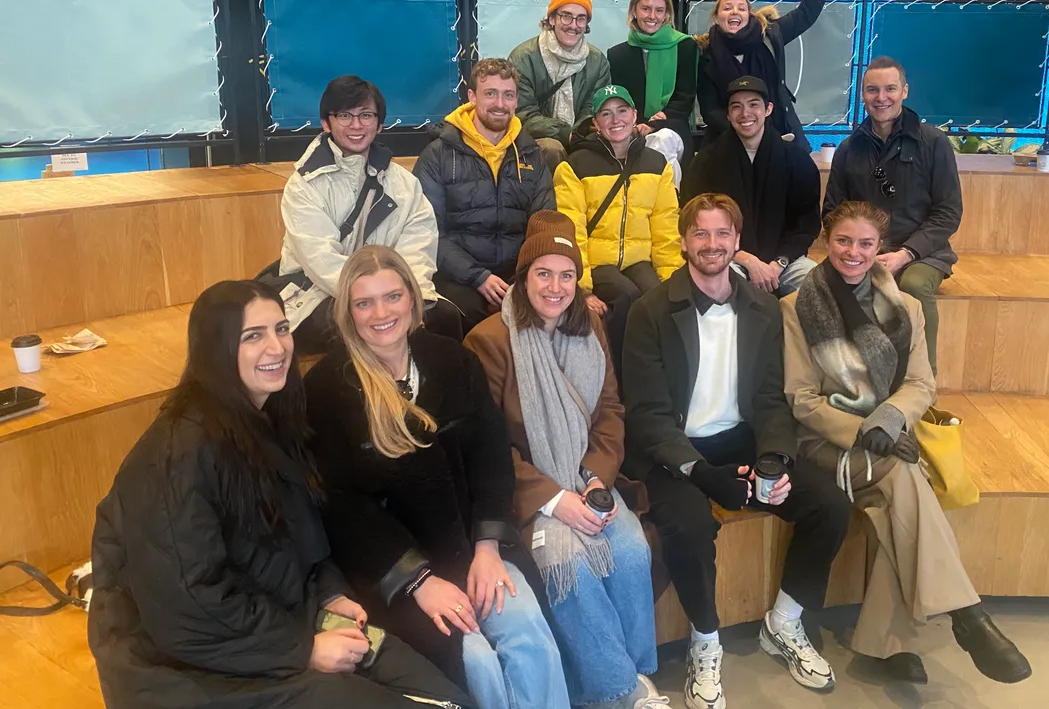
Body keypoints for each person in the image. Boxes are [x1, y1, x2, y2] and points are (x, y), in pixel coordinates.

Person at [88, 280, 473, 709]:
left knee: (448, 699)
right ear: (215, 349)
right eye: (253, 336)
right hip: (191, 665)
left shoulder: (269, 418)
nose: (277, 348)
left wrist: (331, 594)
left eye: (282, 329)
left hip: (283, 617)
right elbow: (187, 610)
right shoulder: (176, 458)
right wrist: (302, 650)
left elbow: (304, 534)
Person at [303, 245, 570, 709]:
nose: (381, 313)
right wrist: (419, 581)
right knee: (476, 661)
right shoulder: (326, 389)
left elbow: (491, 458)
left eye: (392, 297)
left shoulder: (453, 360)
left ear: (413, 298)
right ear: (347, 311)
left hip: (472, 547)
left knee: (528, 634)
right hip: (397, 572)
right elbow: (340, 509)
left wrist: (488, 547)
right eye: (364, 302)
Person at [782, 201, 1031, 686]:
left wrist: (889, 419)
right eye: (843, 241)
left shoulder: (909, 307)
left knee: (902, 487)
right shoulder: (796, 308)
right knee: (904, 476)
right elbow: (801, 398)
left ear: (881, 249)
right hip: (826, 441)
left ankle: (890, 643)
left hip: (889, 437)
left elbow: (921, 384)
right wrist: (863, 430)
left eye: (865, 244)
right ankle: (967, 615)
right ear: (826, 242)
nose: (853, 252)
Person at [622, 193, 851, 707]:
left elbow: (771, 399)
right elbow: (648, 416)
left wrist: (775, 460)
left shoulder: (762, 308)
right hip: (673, 453)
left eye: (722, 233)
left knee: (830, 505)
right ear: (683, 242)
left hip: (741, 442)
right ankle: (706, 643)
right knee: (689, 524)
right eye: (700, 233)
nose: (711, 243)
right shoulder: (649, 311)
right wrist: (701, 473)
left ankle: (784, 622)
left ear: (737, 241)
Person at [464, 211, 667, 709]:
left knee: (631, 550)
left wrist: (596, 482)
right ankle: (622, 691)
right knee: (567, 562)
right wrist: (556, 500)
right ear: (523, 277)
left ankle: (628, 674)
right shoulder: (489, 341)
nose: (555, 287)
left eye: (567, 275)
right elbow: (486, 449)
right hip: (530, 488)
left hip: (586, 475)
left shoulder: (590, 327)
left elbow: (609, 411)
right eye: (543, 273)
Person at [276, 75, 461, 349]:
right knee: (354, 326)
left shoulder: (403, 183)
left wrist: (403, 295)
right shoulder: (304, 184)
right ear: (326, 123)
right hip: (320, 291)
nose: (356, 125)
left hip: (395, 290)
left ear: (379, 124)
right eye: (344, 116)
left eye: (366, 115)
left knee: (445, 318)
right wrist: (373, 299)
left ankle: (428, 390)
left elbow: (419, 247)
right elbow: (321, 260)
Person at [823, 57, 962, 374]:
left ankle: (923, 381)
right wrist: (857, 251)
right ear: (862, 94)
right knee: (824, 285)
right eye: (872, 90)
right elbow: (832, 210)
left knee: (912, 285)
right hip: (864, 250)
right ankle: (849, 381)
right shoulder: (849, 148)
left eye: (890, 89)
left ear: (905, 91)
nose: (881, 97)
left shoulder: (934, 143)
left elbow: (948, 211)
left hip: (923, 253)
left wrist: (906, 253)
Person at [413, 59, 555, 333]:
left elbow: (544, 225)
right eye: (490, 93)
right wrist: (478, 276)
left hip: (518, 274)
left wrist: (525, 277)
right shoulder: (439, 154)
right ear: (472, 96)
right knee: (457, 319)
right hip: (460, 276)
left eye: (508, 95)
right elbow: (428, 232)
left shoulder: (531, 154)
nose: (499, 103)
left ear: (516, 102)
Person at [555, 84, 684, 379]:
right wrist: (581, 288)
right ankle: (618, 380)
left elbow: (665, 227)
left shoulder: (655, 164)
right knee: (625, 296)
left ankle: (659, 378)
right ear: (596, 124)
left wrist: (673, 279)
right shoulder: (575, 166)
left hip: (639, 260)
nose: (616, 120)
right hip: (598, 262)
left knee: (658, 296)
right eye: (606, 114)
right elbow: (571, 230)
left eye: (622, 111)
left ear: (635, 115)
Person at [695, 0, 848, 150]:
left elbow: (807, 11)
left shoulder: (770, 35)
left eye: (741, 8)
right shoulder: (705, 53)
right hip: (730, 140)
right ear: (717, 17)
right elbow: (710, 109)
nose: (734, 12)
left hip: (780, 135)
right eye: (727, 8)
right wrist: (745, 133)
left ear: (749, 14)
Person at [681, 76, 821, 297]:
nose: (745, 114)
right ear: (728, 115)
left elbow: (806, 224)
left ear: (768, 109)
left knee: (819, 286)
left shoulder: (796, 160)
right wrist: (745, 258)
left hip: (785, 262)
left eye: (753, 104)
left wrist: (778, 262)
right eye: (736, 107)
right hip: (729, 258)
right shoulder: (707, 161)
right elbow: (692, 220)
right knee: (716, 285)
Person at [509, 0, 612, 169]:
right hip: (535, 139)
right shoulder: (523, 58)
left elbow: (594, 107)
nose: (573, 25)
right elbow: (522, 115)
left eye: (581, 18)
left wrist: (580, 133)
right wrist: (566, 133)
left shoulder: (597, 61)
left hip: (580, 136)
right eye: (566, 16)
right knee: (552, 148)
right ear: (552, 19)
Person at [607, 0, 699, 169]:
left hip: (672, 124)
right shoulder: (617, 54)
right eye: (646, 9)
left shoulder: (685, 46)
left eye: (659, 10)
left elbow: (685, 97)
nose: (652, 16)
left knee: (660, 142)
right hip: (631, 128)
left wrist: (656, 123)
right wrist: (635, 126)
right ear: (634, 11)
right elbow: (620, 100)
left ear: (666, 14)